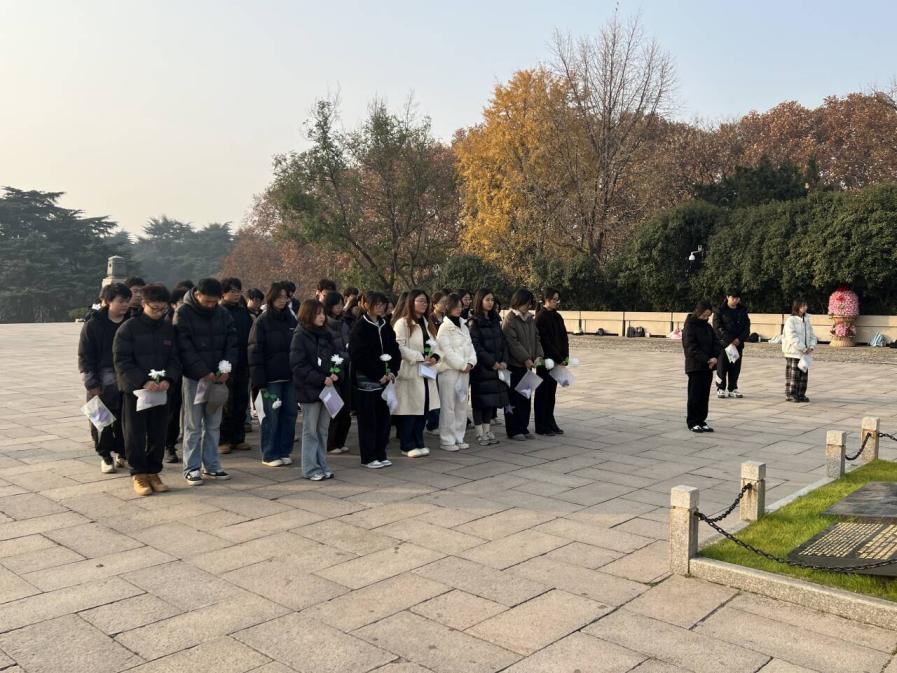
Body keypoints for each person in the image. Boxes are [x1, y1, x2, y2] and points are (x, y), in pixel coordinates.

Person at [113, 284, 182, 495]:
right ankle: (139, 473)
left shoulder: (168, 329)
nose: (159, 313)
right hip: (136, 391)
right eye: (155, 308)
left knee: (158, 432)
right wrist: (142, 381)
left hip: (161, 390)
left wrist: (168, 379)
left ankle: (153, 471)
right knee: (135, 433)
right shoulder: (128, 328)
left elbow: (175, 359)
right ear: (143, 303)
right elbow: (122, 361)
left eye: (163, 309)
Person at [174, 277, 237, 485]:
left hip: (218, 377)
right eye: (207, 301)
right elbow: (184, 346)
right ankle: (191, 468)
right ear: (197, 294)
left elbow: (231, 342)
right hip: (195, 378)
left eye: (214, 301)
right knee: (193, 424)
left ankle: (212, 465)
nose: (211, 305)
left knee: (213, 423)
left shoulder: (223, 313)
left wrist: (226, 368)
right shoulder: (183, 313)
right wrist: (202, 371)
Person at [78, 282, 131, 473]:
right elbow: (85, 355)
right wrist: (90, 381)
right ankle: (105, 455)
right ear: (108, 301)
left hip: (127, 377)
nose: (125, 305)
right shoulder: (93, 324)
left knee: (125, 419)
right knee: (101, 420)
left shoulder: (132, 322)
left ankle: (123, 452)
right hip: (101, 379)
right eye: (120, 301)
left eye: (127, 301)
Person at [248, 282, 298, 466]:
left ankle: (285, 450)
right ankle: (269, 453)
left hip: (290, 376)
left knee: (290, 414)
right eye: (279, 297)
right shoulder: (262, 321)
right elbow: (254, 351)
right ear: (271, 298)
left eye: (285, 297)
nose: (282, 300)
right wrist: (258, 380)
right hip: (271, 378)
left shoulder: (291, 319)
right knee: (271, 416)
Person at [349, 291, 400, 468]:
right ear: (366, 305)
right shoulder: (360, 327)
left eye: (382, 304)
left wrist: (393, 370)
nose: (380, 307)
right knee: (368, 420)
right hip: (367, 380)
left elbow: (394, 349)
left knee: (383, 419)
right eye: (376, 304)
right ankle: (369, 456)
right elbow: (358, 356)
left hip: (386, 379)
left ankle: (380, 452)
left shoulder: (385, 325)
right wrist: (378, 374)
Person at [290, 299, 339, 480]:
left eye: (323, 313)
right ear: (307, 314)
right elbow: (298, 365)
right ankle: (310, 468)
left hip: (327, 389)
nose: (322, 317)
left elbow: (336, 356)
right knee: (310, 430)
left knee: (323, 430)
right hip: (309, 390)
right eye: (317, 313)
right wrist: (321, 378)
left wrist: (335, 372)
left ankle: (322, 464)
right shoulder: (300, 336)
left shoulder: (326, 334)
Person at [393, 289, 441, 458]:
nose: (424, 304)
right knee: (410, 410)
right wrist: (420, 356)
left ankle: (419, 442)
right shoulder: (403, 323)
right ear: (411, 302)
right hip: (410, 372)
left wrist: (435, 356)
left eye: (425, 301)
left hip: (426, 372)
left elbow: (436, 344)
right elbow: (399, 347)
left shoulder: (427, 323)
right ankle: (407, 445)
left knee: (424, 409)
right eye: (420, 301)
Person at [436, 294, 477, 450]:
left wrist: (471, 362)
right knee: (448, 407)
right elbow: (446, 351)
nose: (458, 309)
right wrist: (462, 365)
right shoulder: (444, 328)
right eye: (455, 306)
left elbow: (471, 346)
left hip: (465, 372)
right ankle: (447, 440)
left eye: (460, 306)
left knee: (461, 405)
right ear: (448, 307)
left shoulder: (464, 325)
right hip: (449, 372)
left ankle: (459, 437)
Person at [469, 289, 508, 446]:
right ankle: (479, 433)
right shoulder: (474, 322)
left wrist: (504, 361)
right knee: (480, 401)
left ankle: (487, 430)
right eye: (487, 299)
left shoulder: (495, 320)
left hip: (496, 367)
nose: (490, 302)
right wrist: (491, 362)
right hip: (482, 368)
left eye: (492, 299)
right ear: (480, 301)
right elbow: (476, 346)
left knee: (491, 400)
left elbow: (503, 342)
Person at [502, 289, 543, 441]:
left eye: (529, 303)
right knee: (514, 399)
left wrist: (538, 355)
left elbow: (536, 338)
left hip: (528, 366)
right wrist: (525, 358)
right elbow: (512, 342)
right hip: (515, 366)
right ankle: (514, 430)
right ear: (517, 302)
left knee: (525, 398)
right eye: (525, 303)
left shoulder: (530, 319)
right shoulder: (510, 319)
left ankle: (523, 427)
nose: (528, 306)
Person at [219, 277, 253, 453]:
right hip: (225, 363)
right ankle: (223, 440)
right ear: (223, 293)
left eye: (238, 291)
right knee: (226, 403)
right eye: (232, 291)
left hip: (243, 362)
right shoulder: (219, 312)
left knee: (241, 401)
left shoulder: (243, 312)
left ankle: (238, 438)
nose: (236, 294)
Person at [534, 287, 569, 436]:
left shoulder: (557, 316)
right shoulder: (540, 317)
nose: (555, 302)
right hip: (546, 361)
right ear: (545, 299)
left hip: (557, 361)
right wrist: (558, 358)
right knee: (543, 392)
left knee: (551, 393)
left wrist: (565, 356)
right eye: (553, 299)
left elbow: (564, 338)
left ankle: (550, 421)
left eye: (557, 299)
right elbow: (545, 342)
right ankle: (541, 425)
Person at [682, 300, 721, 432]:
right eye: (704, 315)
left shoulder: (708, 327)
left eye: (708, 316)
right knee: (695, 395)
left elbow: (716, 342)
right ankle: (692, 421)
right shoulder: (689, 326)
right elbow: (691, 347)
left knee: (704, 396)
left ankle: (701, 420)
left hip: (708, 366)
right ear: (698, 312)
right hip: (695, 366)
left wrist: (715, 357)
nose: (705, 318)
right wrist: (707, 359)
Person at [323, 291, 352, 455]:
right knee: (334, 407)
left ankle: (340, 441)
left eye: (341, 304)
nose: (340, 307)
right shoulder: (325, 325)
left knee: (346, 407)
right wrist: (346, 356)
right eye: (336, 304)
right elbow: (328, 350)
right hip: (333, 371)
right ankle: (331, 442)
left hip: (346, 370)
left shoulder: (344, 323)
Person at [163, 286, 189, 463]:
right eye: (181, 302)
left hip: (189, 372)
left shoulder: (191, 321)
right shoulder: (166, 325)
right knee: (171, 412)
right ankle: (168, 446)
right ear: (173, 305)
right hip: (170, 374)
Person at [714, 288, 751, 399]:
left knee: (735, 368)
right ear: (727, 297)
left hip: (738, 344)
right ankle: (720, 388)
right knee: (722, 367)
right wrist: (730, 340)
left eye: (737, 298)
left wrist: (739, 339)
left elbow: (747, 328)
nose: (735, 300)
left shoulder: (742, 311)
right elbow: (717, 327)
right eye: (733, 298)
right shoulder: (720, 310)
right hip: (724, 345)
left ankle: (732, 388)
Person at [782, 298, 817, 403]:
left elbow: (812, 335)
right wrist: (803, 348)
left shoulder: (807, 320)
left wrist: (811, 346)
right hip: (794, 352)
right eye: (802, 306)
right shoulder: (791, 320)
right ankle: (791, 394)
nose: (805, 307)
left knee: (803, 375)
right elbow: (792, 337)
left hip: (805, 353)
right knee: (794, 374)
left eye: (805, 305)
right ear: (797, 307)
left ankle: (801, 394)